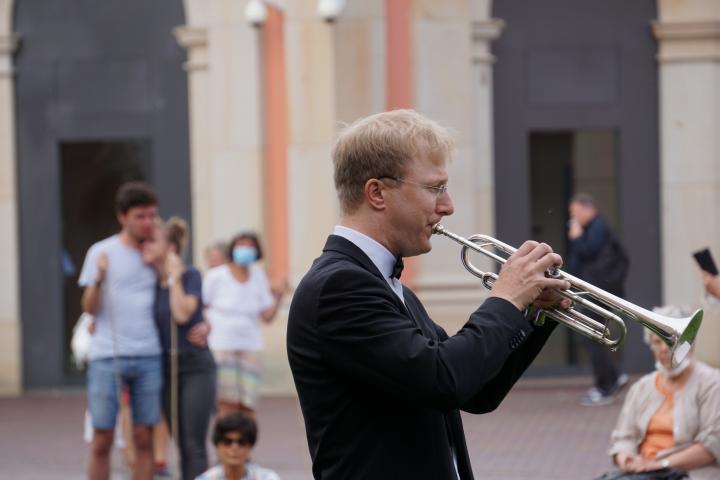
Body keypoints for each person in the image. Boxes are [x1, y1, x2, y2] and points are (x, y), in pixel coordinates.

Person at [287, 109, 572, 479]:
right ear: (377, 193)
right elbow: (445, 379)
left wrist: (534, 312)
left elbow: (476, 392)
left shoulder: (384, 284)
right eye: (435, 188)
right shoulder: (339, 287)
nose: (448, 206)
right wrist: (506, 299)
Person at [78, 181, 162, 480]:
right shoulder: (101, 252)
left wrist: (161, 260)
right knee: (102, 437)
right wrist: (99, 278)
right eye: (141, 216)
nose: (148, 222)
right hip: (107, 355)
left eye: (152, 215)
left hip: (149, 354)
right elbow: (89, 306)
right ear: (122, 217)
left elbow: (175, 288)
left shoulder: (157, 253)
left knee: (144, 435)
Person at [604, 306, 720, 480]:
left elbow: (713, 444)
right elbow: (623, 438)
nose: (664, 349)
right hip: (642, 474)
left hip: (688, 475)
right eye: (657, 342)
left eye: (670, 341)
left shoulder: (713, 383)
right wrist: (626, 457)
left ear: (690, 342)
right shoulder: (641, 387)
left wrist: (661, 465)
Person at [142, 217, 217, 479]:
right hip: (165, 368)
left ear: (171, 247)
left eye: (152, 241)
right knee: (180, 442)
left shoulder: (189, 275)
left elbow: (183, 314)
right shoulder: (147, 282)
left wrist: (173, 278)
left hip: (195, 365)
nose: (145, 246)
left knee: (193, 442)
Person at [203, 232, 287, 418]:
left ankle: (245, 443)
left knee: (248, 402)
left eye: (250, 246)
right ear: (232, 249)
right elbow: (203, 306)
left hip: (250, 346)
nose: (245, 250)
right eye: (241, 245)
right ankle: (226, 443)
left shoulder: (258, 277)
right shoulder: (216, 276)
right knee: (226, 402)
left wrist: (279, 295)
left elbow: (267, 316)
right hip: (222, 346)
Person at [566, 192, 629, 406]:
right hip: (592, 290)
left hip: (597, 291)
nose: (573, 219)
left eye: (575, 213)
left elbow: (587, 251)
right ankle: (613, 377)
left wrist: (576, 237)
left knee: (593, 336)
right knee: (592, 336)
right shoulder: (592, 228)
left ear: (587, 209)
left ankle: (606, 385)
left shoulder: (597, 227)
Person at [195, 412, 280, 480]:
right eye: (227, 442)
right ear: (218, 446)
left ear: (250, 447)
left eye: (242, 442)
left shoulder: (268, 477)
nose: (234, 447)